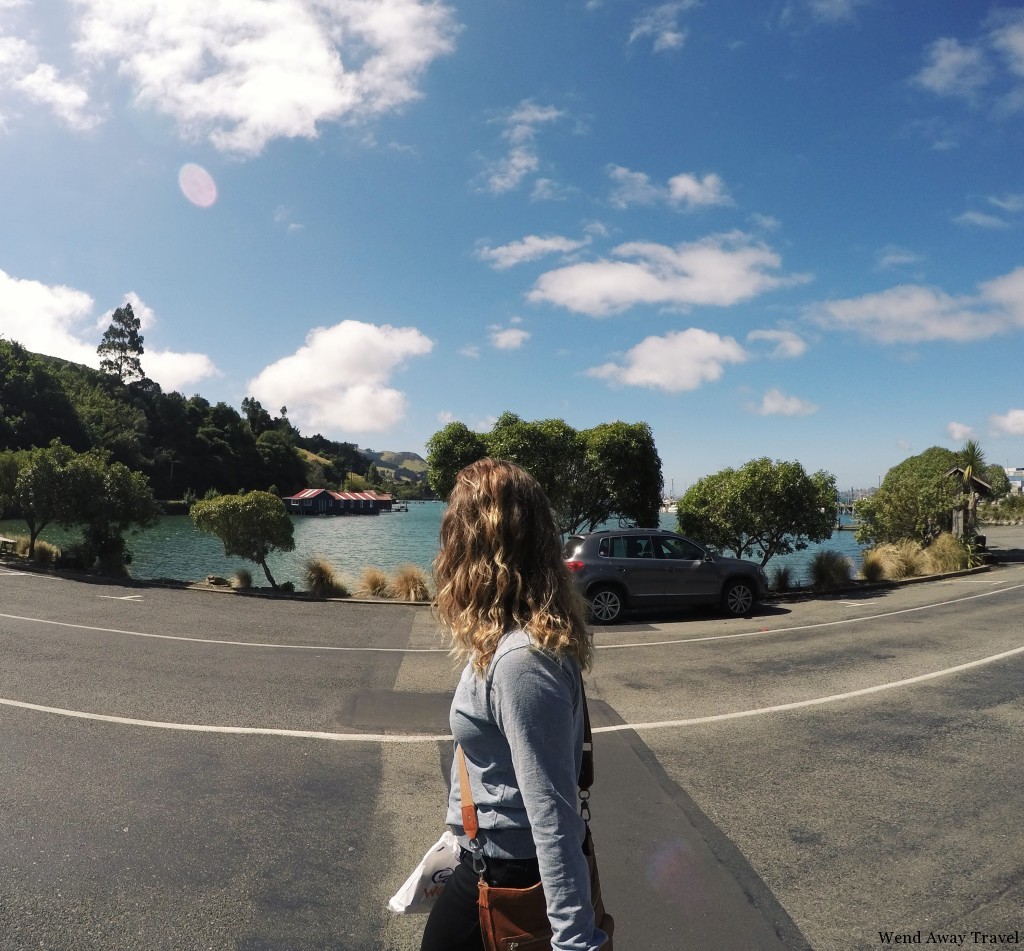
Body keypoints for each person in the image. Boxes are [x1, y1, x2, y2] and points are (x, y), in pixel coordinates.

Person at [420, 457, 609, 951]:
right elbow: (476, 753)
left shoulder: (520, 661)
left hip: (511, 876)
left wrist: (575, 942)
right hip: (481, 856)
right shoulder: (504, 643)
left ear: (475, 546)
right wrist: (453, 832)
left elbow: (554, 814)